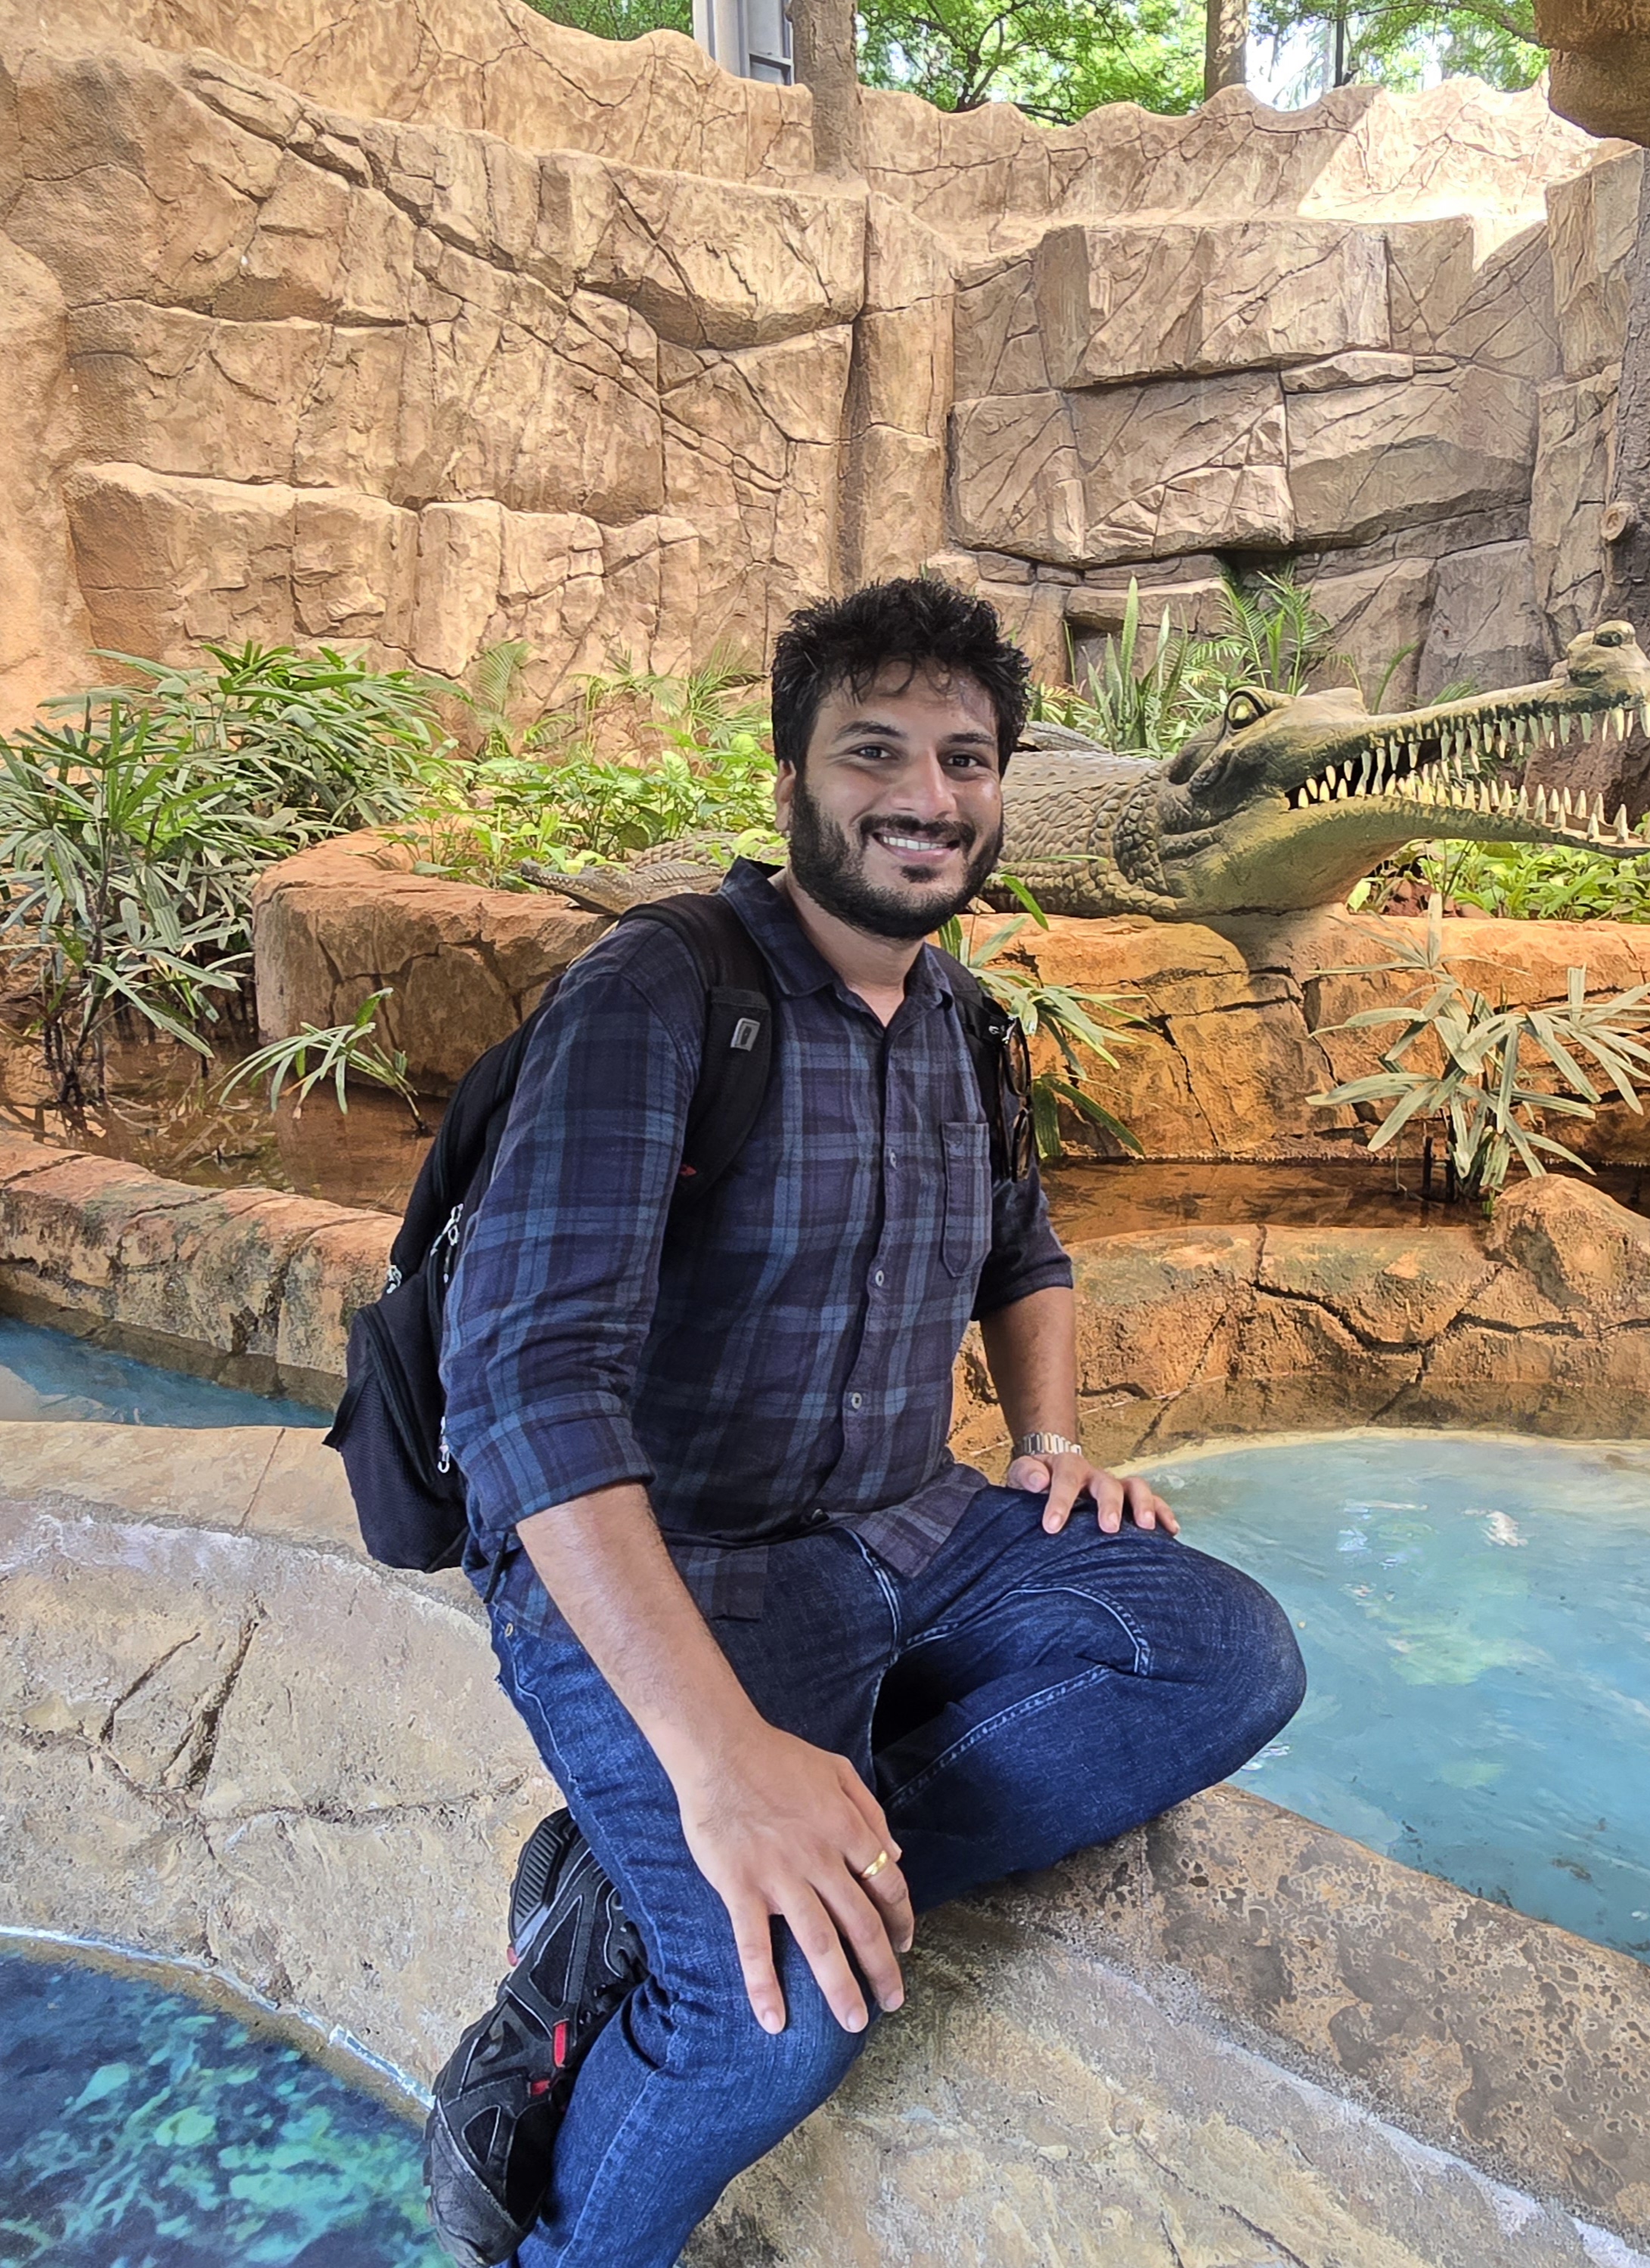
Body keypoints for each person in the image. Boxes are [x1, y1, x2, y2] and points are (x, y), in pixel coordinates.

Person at [424, 578, 1305, 2268]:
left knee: (1219, 1655)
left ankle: (629, 1902)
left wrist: (1049, 1446)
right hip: (673, 1558)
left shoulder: (967, 1024)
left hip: (910, 1524)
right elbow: (528, 1389)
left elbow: (1025, 1255)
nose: (927, 794)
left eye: (964, 758)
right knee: (780, 2010)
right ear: (792, 778)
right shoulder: (660, 993)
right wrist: (722, 1765)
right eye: (875, 751)